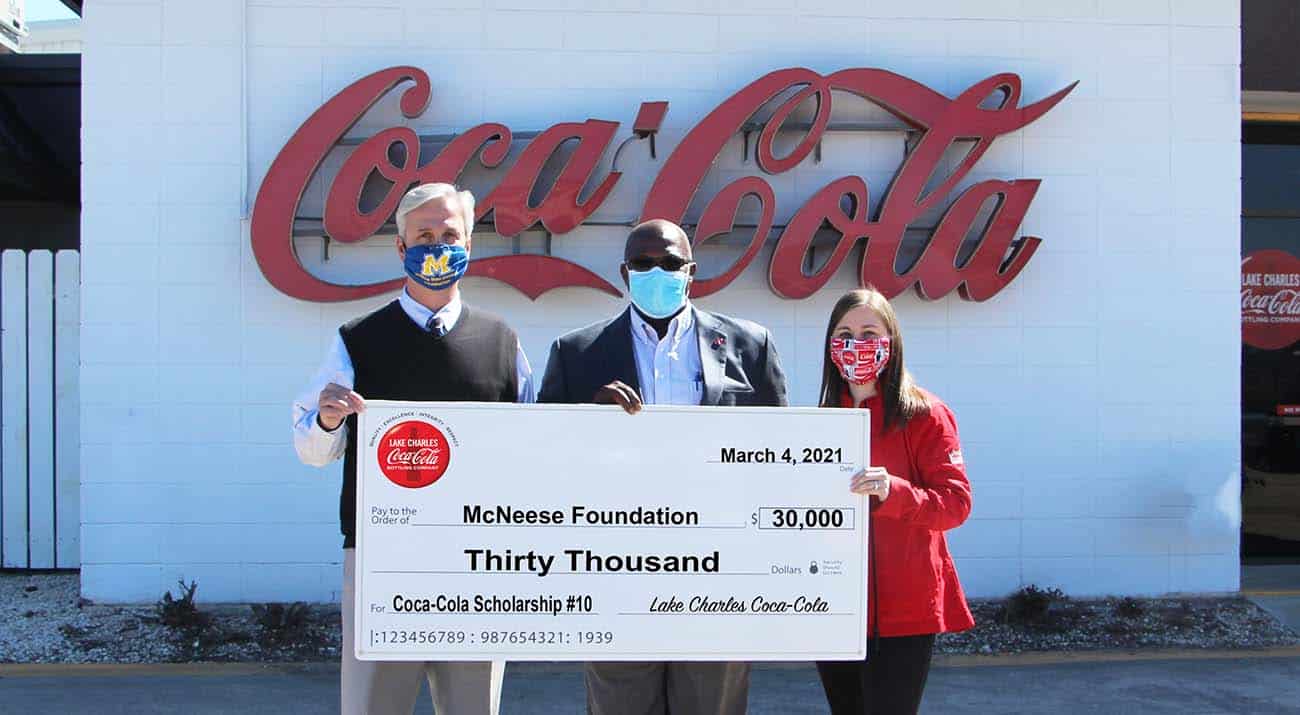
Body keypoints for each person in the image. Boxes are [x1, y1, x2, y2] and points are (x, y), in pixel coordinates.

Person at [292, 183, 534, 715]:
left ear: (469, 244)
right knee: (374, 705)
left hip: (477, 558)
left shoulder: (503, 342)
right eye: (424, 236)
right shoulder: (357, 339)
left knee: (473, 707)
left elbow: (531, 450)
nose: (438, 245)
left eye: (450, 234)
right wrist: (329, 419)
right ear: (401, 249)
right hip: (384, 558)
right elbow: (311, 448)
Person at [538, 218, 788, 715]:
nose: (658, 271)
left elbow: (779, 460)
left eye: (670, 263)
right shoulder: (576, 353)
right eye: (644, 263)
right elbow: (543, 463)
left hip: (720, 574)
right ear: (624, 272)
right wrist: (587, 419)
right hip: (616, 572)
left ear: (691, 272)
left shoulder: (750, 345)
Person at [813, 288, 974, 715]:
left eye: (869, 331)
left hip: (904, 609)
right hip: (834, 603)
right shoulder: (821, 418)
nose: (856, 343)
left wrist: (894, 491)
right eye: (845, 332)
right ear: (831, 344)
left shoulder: (925, 415)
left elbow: (955, 504)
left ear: (891, 341)